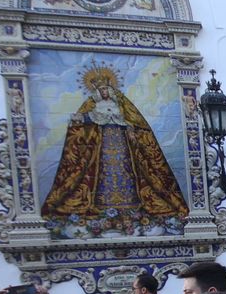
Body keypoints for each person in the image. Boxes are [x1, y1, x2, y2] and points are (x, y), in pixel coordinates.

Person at [41, 62, 188, 224]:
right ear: (96, 91)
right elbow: (85, 120)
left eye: (105, 89)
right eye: (100, 89)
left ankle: (130, 205)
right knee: (103, 172)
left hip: (122, 144)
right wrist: (81, 119)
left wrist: (132, 130)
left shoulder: (121, 104)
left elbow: (134, 121)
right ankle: (105, 205)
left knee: (127, 171)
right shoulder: (92, 105)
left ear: (110, 89)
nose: (104, 92)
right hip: (102, 144)